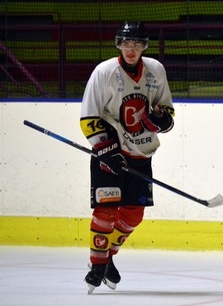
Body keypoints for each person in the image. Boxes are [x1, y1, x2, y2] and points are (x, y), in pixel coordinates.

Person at [80, 21, 175, 294]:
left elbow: (166, 110)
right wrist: (106, 150)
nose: (130, 49)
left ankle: (108, 255)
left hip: (141, 152)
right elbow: (88, 116)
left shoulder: (156, 70)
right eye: (125, 44)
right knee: (106, 211)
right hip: (109, 150)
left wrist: (160, 119)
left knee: (134, 215)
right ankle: (98, 264)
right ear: (118, 45)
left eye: (136, 44)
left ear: (144, 46)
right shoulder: (104, 72)